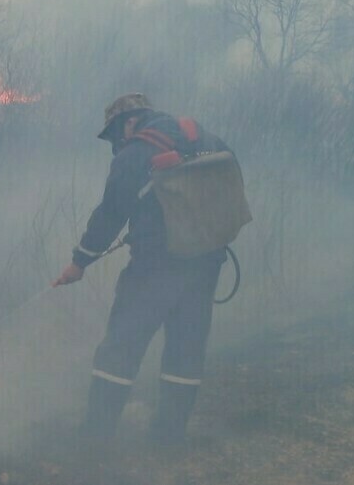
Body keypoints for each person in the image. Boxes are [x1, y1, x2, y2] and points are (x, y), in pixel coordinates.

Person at [52, 93, 231, 444]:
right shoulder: (205, 138)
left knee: (121, 346)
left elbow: (111, 212)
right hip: (207, 264)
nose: (116, 144)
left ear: (129, 121)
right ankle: (169, 437)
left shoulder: (136, 151)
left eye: (115, 135)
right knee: (186, 348)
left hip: (155, 268)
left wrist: (80, 262)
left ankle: (95, 437)